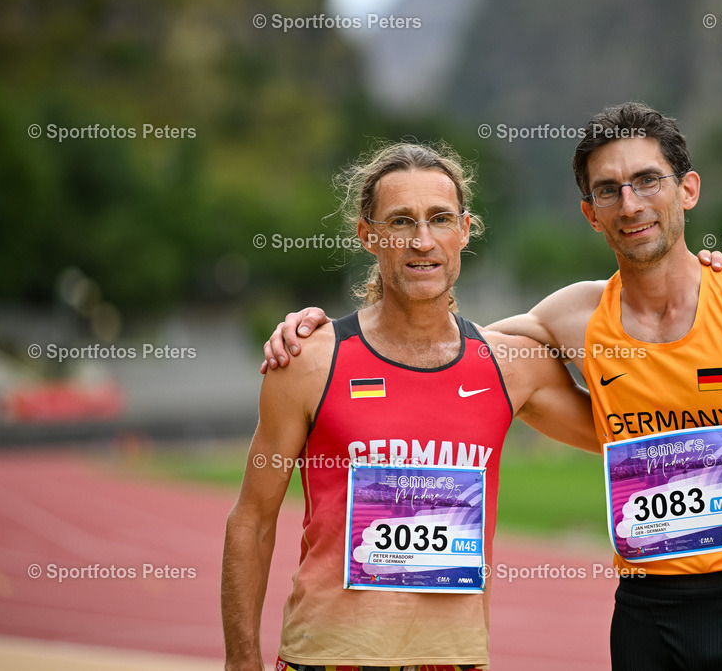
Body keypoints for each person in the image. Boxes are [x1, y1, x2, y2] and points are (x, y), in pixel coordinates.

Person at [267, 102, 722, 670]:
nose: (630, 204)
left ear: (688, 190)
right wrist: (322, 334)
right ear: (590, 213)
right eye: (608, 190)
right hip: (645, 613)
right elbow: (436, 344)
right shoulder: (572, 317)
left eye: (648, 181)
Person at [222, 142, 602, 671]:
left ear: (464, 231)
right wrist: (241, 663)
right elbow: (252, 520)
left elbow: (630, 434)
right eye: (401, 222)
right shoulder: (309, 360)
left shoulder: (510, 367)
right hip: (328, 657)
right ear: (368, 234)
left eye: (440, 219)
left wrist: (707, 289)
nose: (423, 241)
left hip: (453, 660)